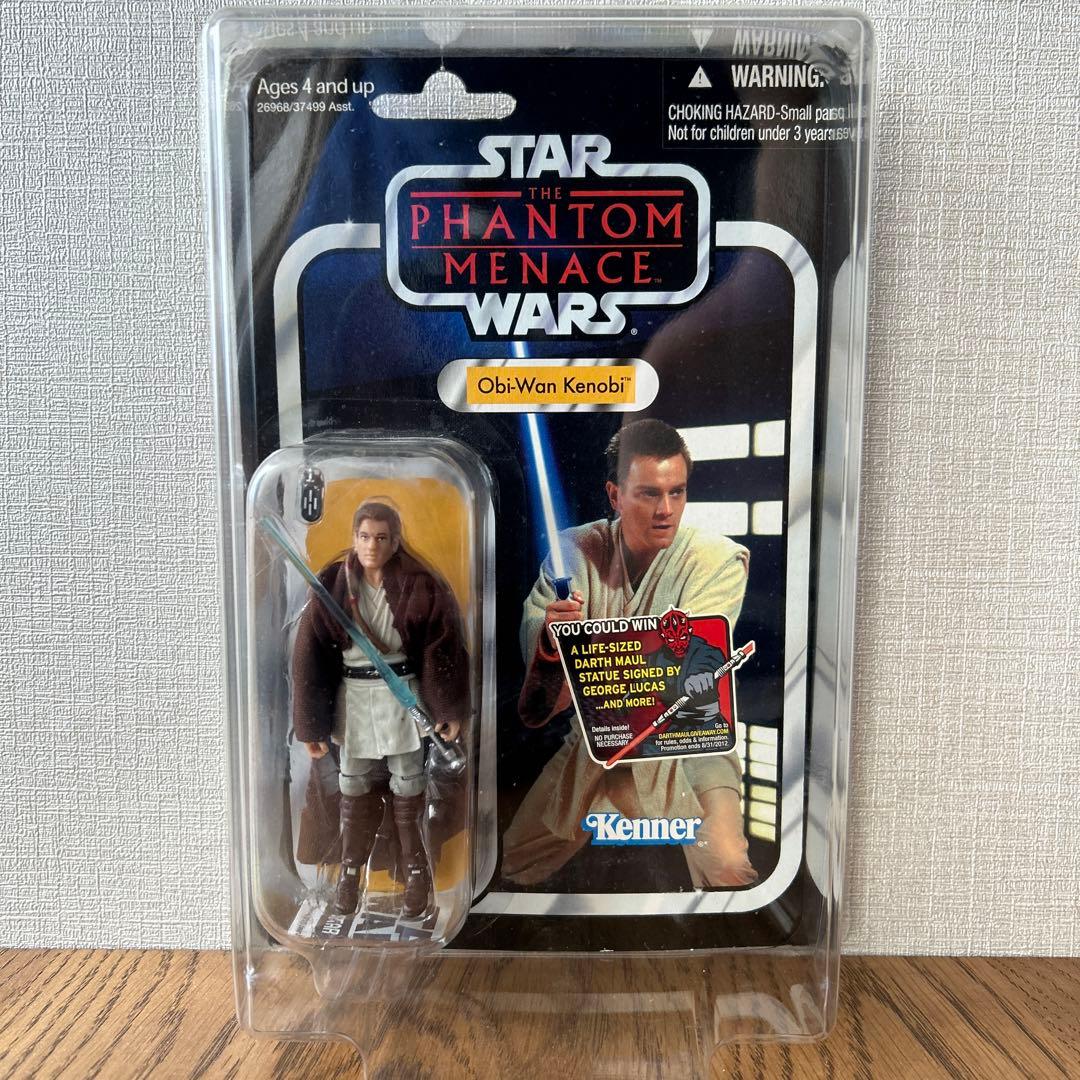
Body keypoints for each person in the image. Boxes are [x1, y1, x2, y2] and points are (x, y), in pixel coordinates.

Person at [504, 419, 757, 889]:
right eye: (648, 494)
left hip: (692, 742)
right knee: (514, 860)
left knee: (726, 864)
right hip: (597, 745)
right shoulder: (572, 551)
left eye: (677, 492)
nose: (666, 510)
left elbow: (680, 675)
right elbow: (538, 685)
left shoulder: (716, 560)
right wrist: (552, 645)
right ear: (615, 495)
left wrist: (587, 655)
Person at [291, 500, 468, 918]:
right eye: (365, 536)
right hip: (353, 700)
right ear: (354, 538)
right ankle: (350, 872)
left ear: (395, 541)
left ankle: (416, 872)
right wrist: (311, 725)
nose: (372, 546)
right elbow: (309, 657)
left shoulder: (418, 584)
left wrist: (447, 707)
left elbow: (442, 646)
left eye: (381, 538)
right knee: (352, 783)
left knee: (409, 782)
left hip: (402, 696)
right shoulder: (333, 583)